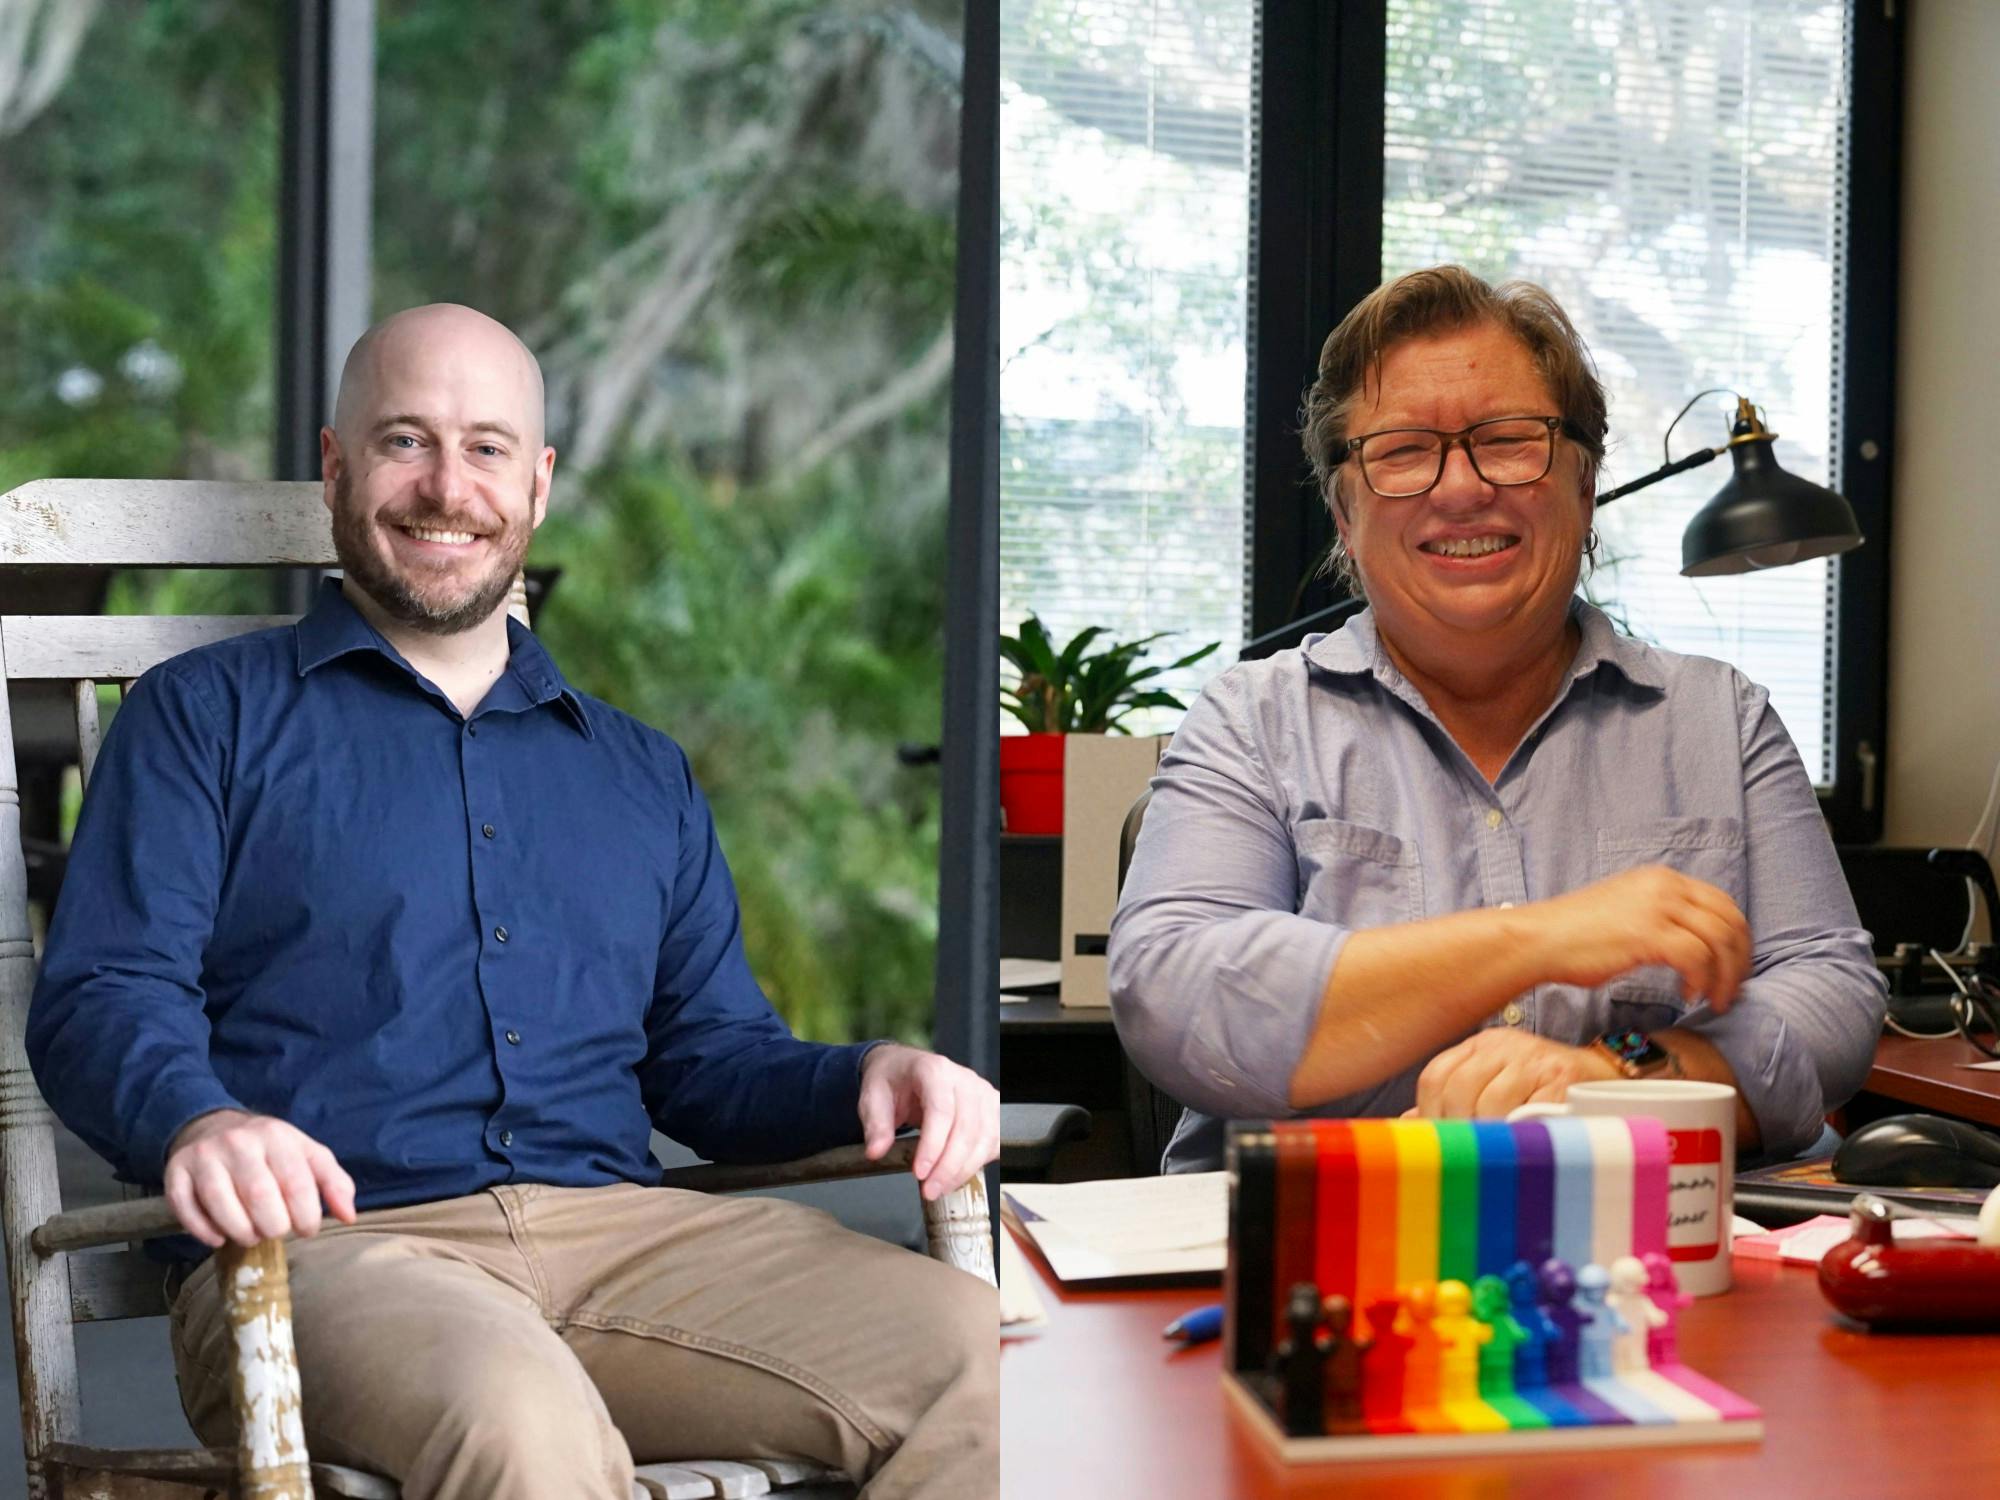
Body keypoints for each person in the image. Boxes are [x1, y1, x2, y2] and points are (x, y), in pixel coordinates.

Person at [27, 303, 998, 1500]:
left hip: (628, 1248)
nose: (447, 485)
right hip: (329, 1258)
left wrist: (870, 1073)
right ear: (336, 467)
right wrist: (200, 1122)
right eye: (403, 441)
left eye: (486, 447)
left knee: (975, 1361)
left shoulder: (638, 771)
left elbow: (708, 1060)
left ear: (536, 486)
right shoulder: (200, 719)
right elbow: (102, 994)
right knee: (517, 1419)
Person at [1108, 265, 1885, 1174]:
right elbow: (1175, 991)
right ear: (1344, 513)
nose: (1461, 489)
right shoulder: (1250, 720)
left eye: (1509, 440)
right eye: (1401, 451)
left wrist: (1611, 1078)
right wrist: (1543, 937)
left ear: (1585, 484)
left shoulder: (1721, 718)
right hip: (1320, 1254)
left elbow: (1829, 993)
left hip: (1646, 1249)